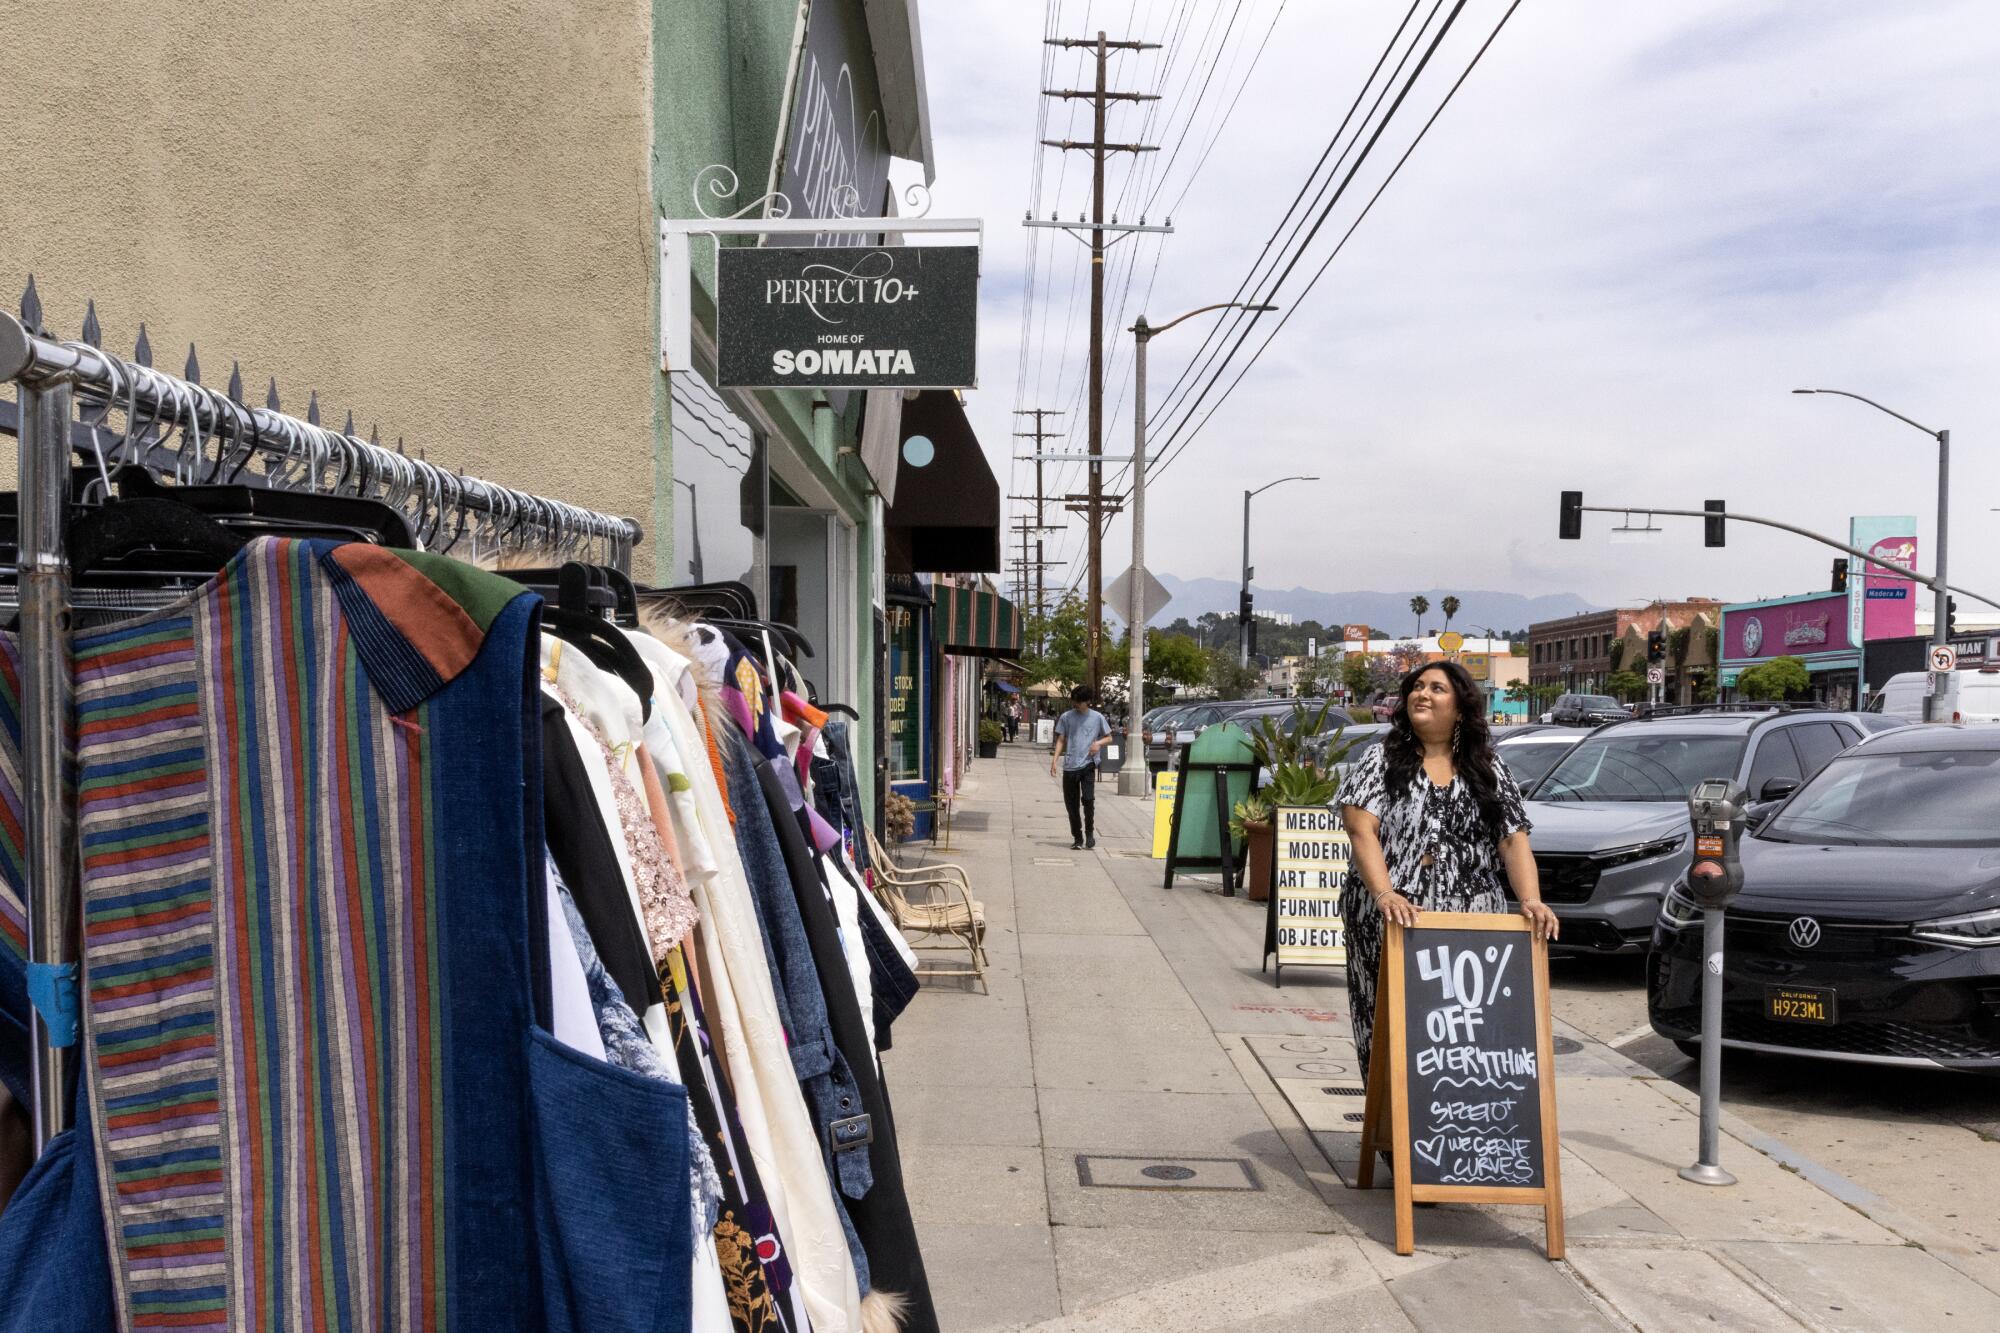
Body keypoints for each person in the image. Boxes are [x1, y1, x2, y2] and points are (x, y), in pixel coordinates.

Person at [1337, 660, 1559, 1080]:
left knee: (1466, 1032)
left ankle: (1460, 1127)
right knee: (1391, 1023)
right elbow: (1360, 828)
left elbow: (1513, 839)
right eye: (1417, 687)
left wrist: (1531, 901)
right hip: (1394, 918)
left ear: (1460, 707)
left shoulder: (1488, 768)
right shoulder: (1380, 759)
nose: (1422, 694)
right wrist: (1385, 894)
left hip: (1471, 923)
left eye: (1437, 688)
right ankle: (1393, 1135)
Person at [1050, 684, 1112, 849]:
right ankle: (1077, 838)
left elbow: (1109, 738)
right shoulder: (1066, 717)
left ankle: (1090, 833)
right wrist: (1055, 761)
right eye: (1074, 701)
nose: (1075, 704)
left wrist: (1097, 743)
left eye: (1078, 702)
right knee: (1071, 805)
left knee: (1089, 800)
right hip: (1070, 765)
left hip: (1088, 764)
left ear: (1087, 702)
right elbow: (1061, 740)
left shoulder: (1097, 717)